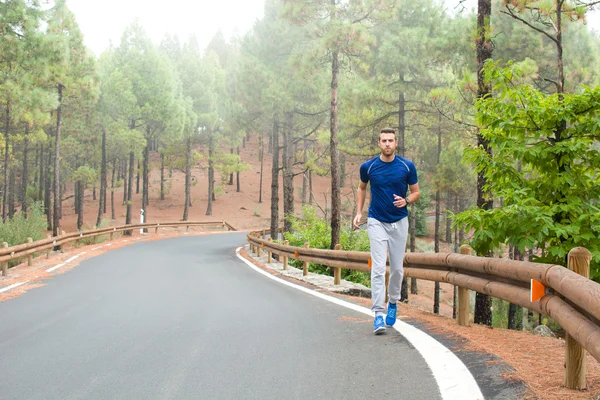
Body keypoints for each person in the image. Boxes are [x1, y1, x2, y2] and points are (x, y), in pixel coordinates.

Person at [353, 128, 420, 335]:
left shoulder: (406, 166)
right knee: (379, 268)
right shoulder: (369, 166)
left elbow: (416, 192)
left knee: (398, 269)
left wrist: (407, 200)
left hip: (399, 221)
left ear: (396, 142)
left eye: (391, 140)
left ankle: (393, 302)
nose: (388, 144)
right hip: (376, 221)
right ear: (379, 143)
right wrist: (358, 213)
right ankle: (378, 314)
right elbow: (362, 188)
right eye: (384, 140)